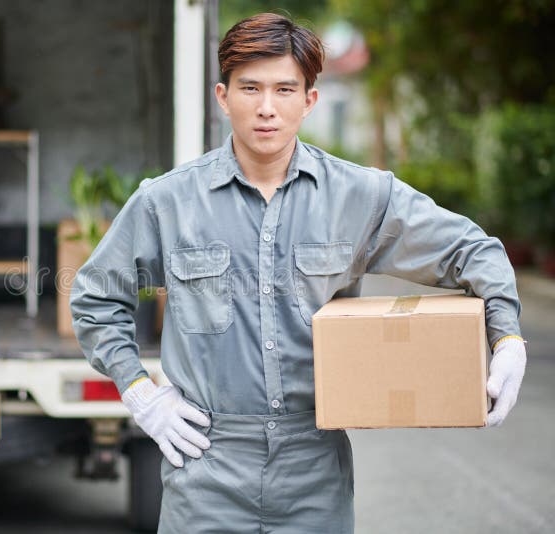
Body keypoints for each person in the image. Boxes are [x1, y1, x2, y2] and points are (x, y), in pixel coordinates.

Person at [70, 12, 526, 533]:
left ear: (309, 99)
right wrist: (140, 392)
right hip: (205, 465)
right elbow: (95, 295)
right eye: (250, 88)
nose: (267, 108)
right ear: (223, 97)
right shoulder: (167, 202)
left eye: (285, 89)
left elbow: (474, 250)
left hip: (315, 469)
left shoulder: (360, 197)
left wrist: (507, 336)